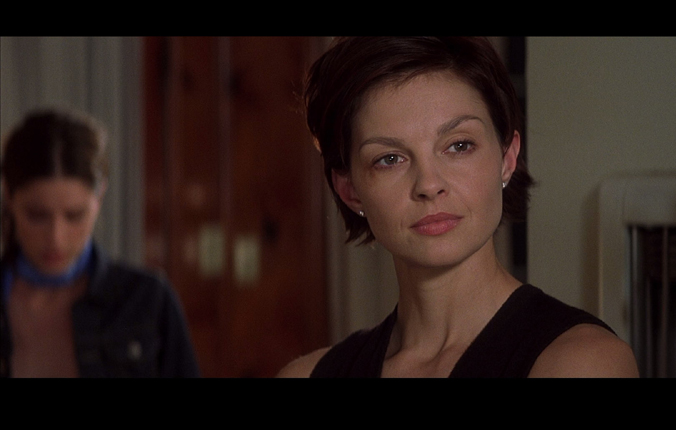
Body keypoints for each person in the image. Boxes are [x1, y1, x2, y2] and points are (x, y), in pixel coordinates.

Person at [278, 37, 639, 378]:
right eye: (390, 159)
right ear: (349, 190)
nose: (428, 184)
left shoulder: (582, 362)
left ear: (507, 158)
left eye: (459, 146)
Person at [1, 109, 200, 377]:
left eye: (75, 216)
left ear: (99, 197)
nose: (56, 238)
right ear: (9, 196)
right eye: (37, 216)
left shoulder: (147, 301)